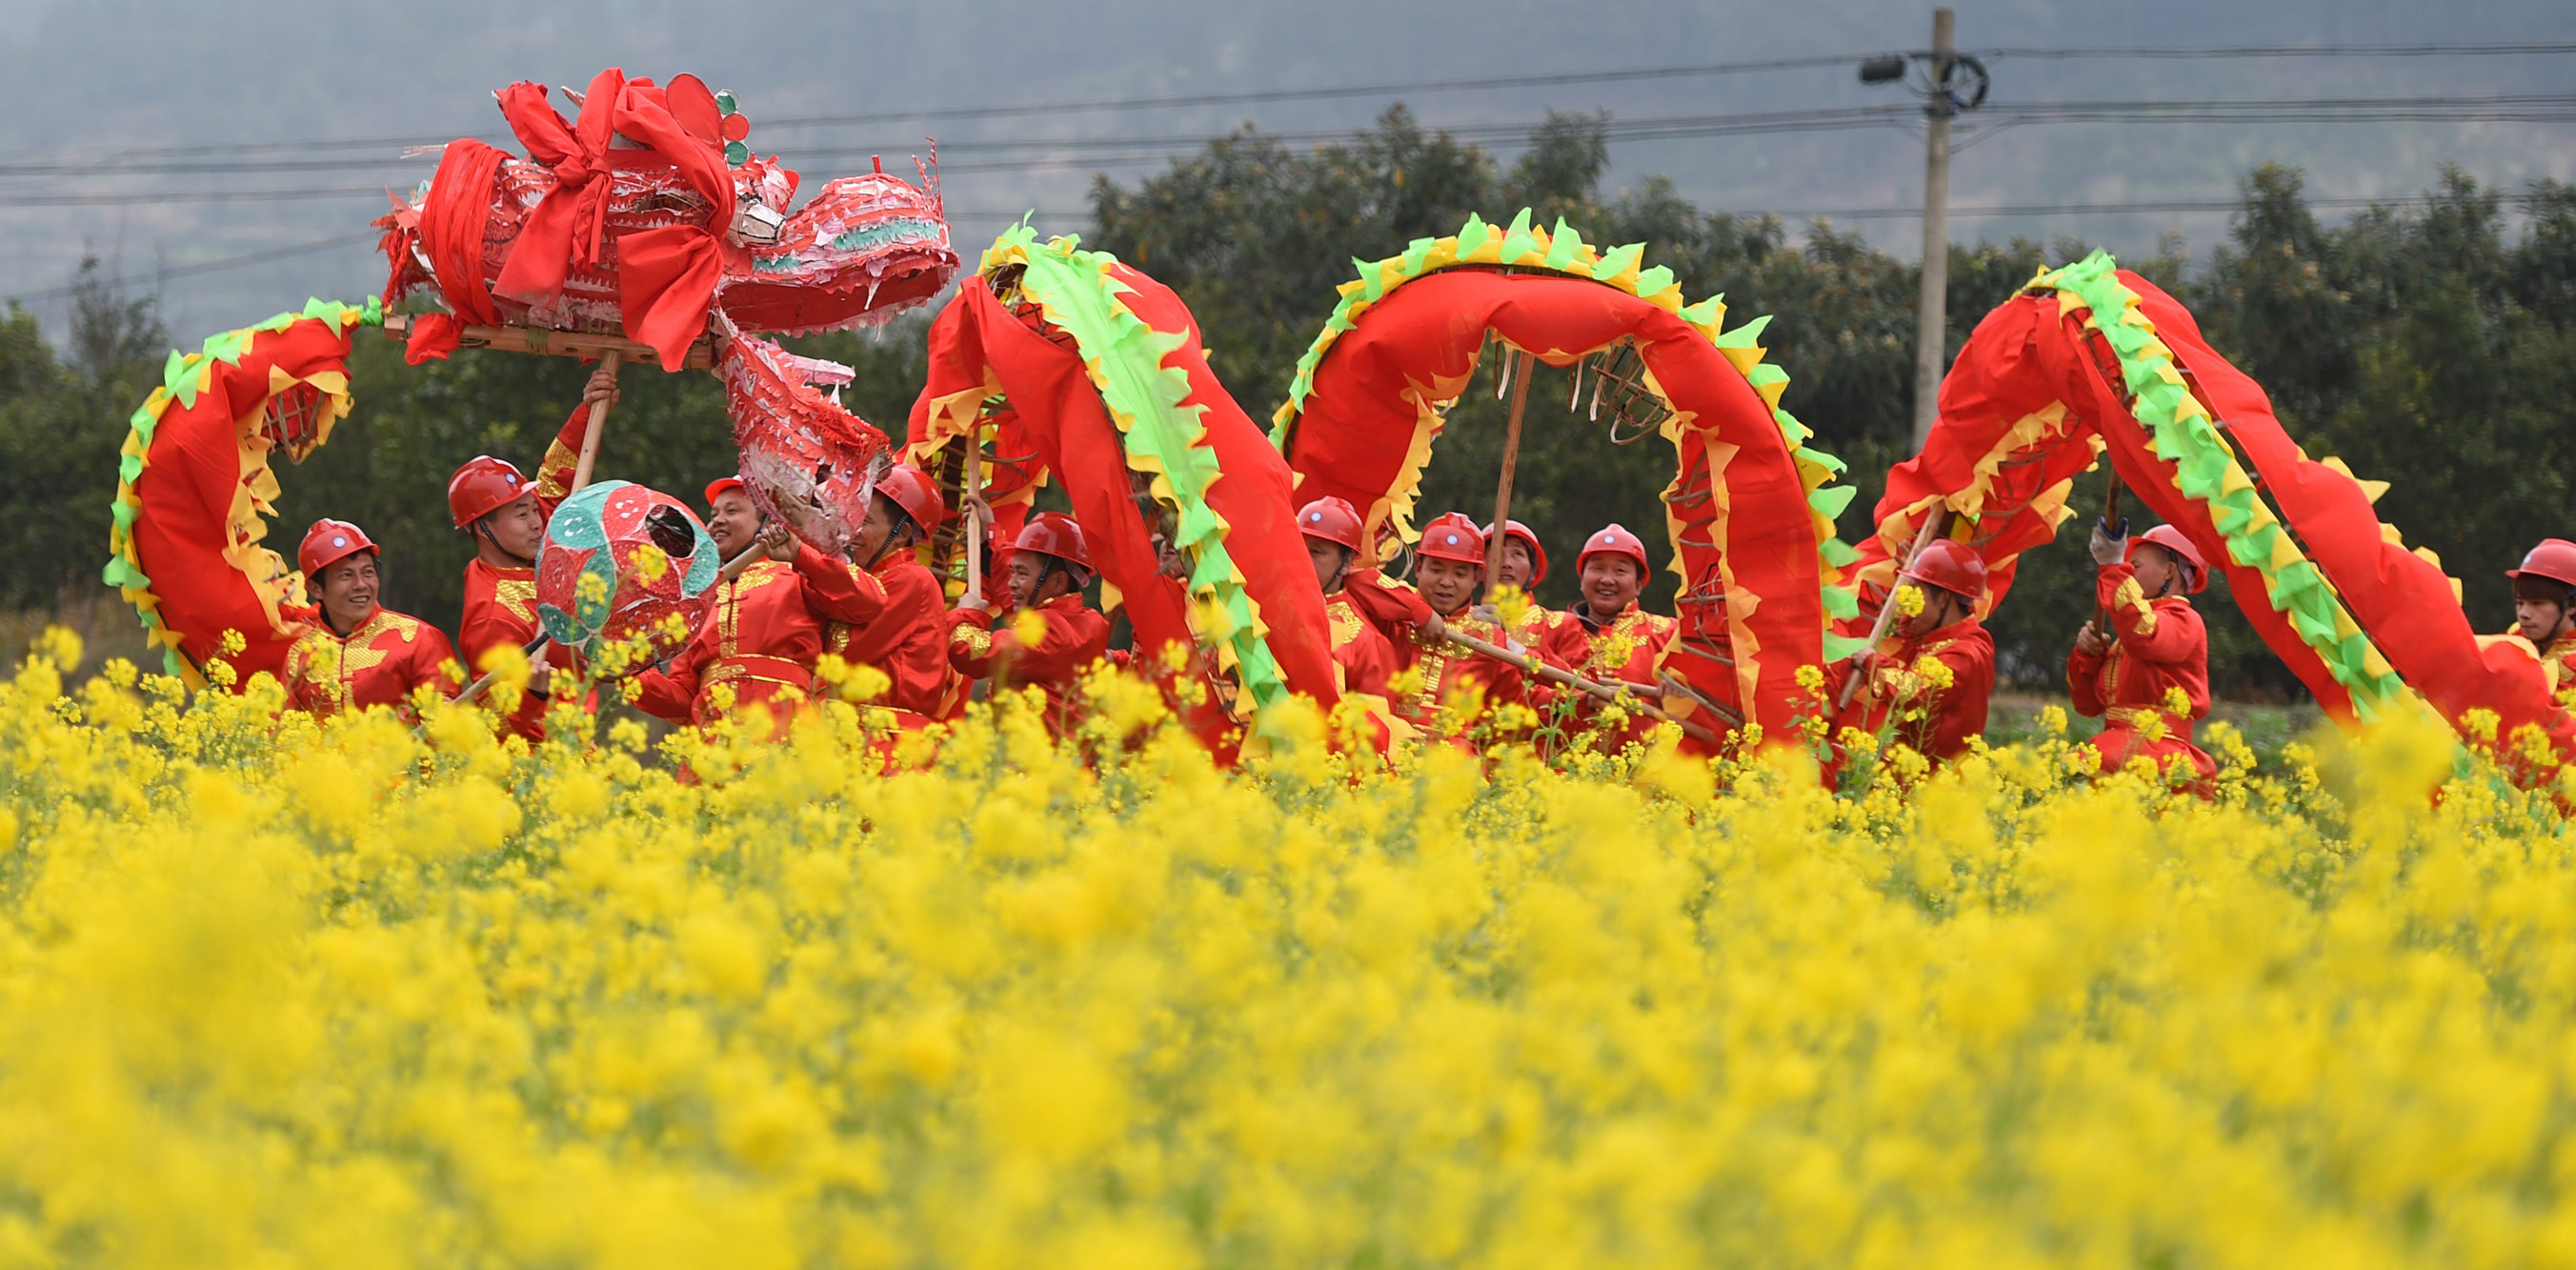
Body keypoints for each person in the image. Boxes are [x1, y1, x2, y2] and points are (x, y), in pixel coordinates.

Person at [624, 476, 893, 737]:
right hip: (712, 751)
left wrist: (801, 555)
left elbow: (868, 601)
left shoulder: (797, 571)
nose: (717, 520)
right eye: (714, 514)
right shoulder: (697, 602)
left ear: (767, 521)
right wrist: (629, 672)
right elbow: (683, 701)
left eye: (732, 511)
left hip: (785, 734)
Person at [445, 367, 610, 740]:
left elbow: (558, 478)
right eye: (522, 513)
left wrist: (589, 410)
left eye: (534, 508)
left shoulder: (529, 537)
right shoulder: (491, 615)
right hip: (542, 764)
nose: (538, 521)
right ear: (481, 528)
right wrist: (532, 695)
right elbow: (495, 725)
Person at [2068, 521, 2216, 786]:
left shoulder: (2184, 620)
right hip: (2115, 751)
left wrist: (2113, 567)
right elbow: (2087, 705)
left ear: (2169, 571)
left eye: (2134, 566)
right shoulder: (2126, 639)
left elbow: (2143, 633)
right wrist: (2087, 655)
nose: (2128, 572)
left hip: (2157, 759)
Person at [820, 464, 969, 726]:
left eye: (864, 522)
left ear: (901, 534)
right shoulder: (867, 578)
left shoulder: (912, 579)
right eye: (852, 519)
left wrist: (807, 558)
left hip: (888, 742)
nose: (852, 532)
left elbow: (845, 651)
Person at [947, 512, 1111, 735]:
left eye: (1021, 574)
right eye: (1012, 572)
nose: (1013, 583)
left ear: (1059, 582)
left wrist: (965, 613)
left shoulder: (1050, 631)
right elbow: (1021, 595)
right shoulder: (1084, 621)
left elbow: (970, 652)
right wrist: (991, 538)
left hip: (1029, 764)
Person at [1833, 538, 1996, 763]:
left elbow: (1911, 693)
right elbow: (1908, 634)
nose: (1910, 603)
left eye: (1918, 594)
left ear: (1944, 599)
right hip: (1908, 779)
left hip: (1933, 788)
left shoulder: (1966, 653)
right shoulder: (1938, 639)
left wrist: (1871, 662)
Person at [282, 519, 460, 719]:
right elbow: (283, 734)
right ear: (315, 589)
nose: (361, 584)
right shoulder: (299, 656)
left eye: (368, 573)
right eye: (346, 575)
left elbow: (446, 731)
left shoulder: (418, 639)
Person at [1383, 512, 1526, 742]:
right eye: (1437, 570)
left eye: (1460, 573)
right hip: (1388, 750)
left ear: (1477, 576)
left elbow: (1515, 707)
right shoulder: (1392, 612)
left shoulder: (1488, 636)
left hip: (1454, 765)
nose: (1446, 582)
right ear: (1418, 567)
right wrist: (1420, 613)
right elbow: (1358, 580)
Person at [1538, 523, 1677, 747]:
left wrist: (1678, 691)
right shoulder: (1549, 627)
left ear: (1639, 585)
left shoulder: (1669, 633)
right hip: (1563, 771)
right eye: (1598, 568)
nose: (1607, 579)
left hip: (1643, 773)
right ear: (1581, 579)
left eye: (1620, 571)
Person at [1298, 495, 1399, 697]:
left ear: (1346, 562)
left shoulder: (1365, 642)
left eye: (1316, 552)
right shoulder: (1265, 607)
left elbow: (1374, 722)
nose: (1302, 558)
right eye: (1299, 546)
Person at [1484, 518, 1567, 648]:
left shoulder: (1560, 625)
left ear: (1533, 571)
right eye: (1496, 554)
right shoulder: (1462, 622)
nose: (1506, 563)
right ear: (1478, 569)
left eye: (1517, 553)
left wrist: (1525, 656)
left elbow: (1574, 668)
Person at [2507, 538, 2576, 685]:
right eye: (2520, 603)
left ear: (2571, 605)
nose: (2523, 614)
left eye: (2537, 603)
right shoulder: (2514, 638)